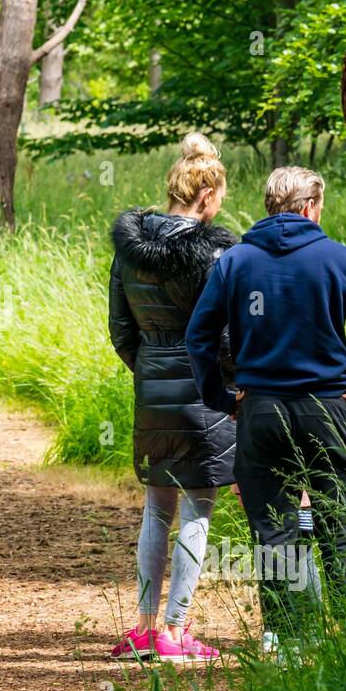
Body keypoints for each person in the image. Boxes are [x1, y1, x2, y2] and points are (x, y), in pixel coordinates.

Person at [185, 166, 346, 649]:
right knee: (339, 525)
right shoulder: (338, 259)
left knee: (275, 531)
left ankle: (283, 640)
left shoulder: (236, 261)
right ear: (309, 208)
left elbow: (198, 337)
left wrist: (221, 397)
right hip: (326, 408)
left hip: (259, 410)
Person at [107, 133, 238, 663]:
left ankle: (142, 629)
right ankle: (177, 632)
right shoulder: (215, 253)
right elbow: (224, 335)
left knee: (156, 510)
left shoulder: (128, 252)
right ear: (206, 196)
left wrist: (150, 370)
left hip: (152, 392)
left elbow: (121, 331)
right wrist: (227, 383)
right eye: (220, 198)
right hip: (204, 394)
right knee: (198, 511)